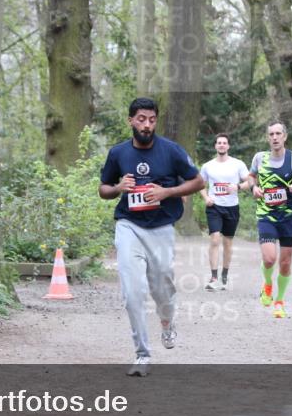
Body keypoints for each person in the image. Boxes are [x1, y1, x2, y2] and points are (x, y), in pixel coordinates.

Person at [99, 97, 205, 376]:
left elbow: (198, 181)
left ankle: (167, 322)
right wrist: (119, 187)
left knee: (162, 288)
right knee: (133, 293)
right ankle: (142, 355)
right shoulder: (118, 153)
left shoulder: (171, 151)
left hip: (161, 228)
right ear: (131, 121)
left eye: (152, 120)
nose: (147, 125)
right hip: (129, 225)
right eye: (142, 119)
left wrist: (166, 192)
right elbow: (103, 189)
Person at [248, 121, 292, 319]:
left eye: (278, 134)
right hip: (266, 215)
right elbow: (251, 177)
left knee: (285, 263)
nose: (274, 137)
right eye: (271, 134)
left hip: (288, 217)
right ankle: (267, 285)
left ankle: (280, 301)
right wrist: (253, 188)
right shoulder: (259, 158)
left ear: (285, 136)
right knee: (269, 258)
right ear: (268, 138)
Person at [199, 134, 250, 291]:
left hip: (232, 207)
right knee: (215, 239)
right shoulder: (208, 166)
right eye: (219, 143)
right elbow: (200, 184)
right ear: (215, 146)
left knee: (227, 242)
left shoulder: (237, 164)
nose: (221, 145)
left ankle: (224, 276)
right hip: (214, 207)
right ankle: (214, 278)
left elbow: (251, 181)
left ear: (228, 146)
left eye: (224, 143)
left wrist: (239, 187)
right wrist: (206, 197)